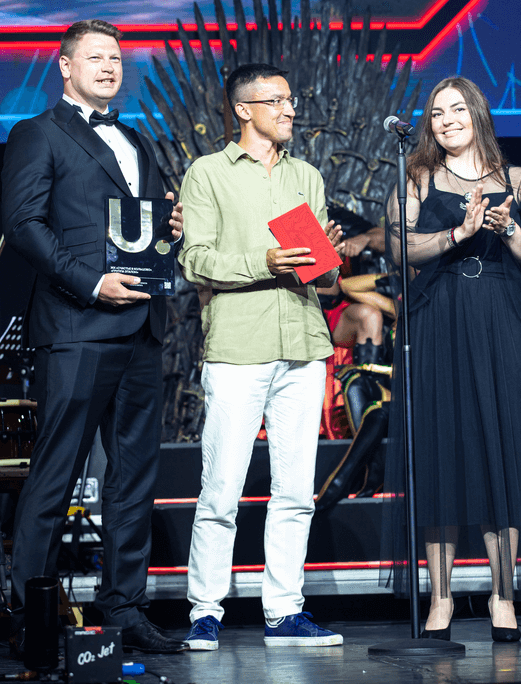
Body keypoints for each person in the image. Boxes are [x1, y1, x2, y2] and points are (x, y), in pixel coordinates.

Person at [1, 19, 186, 654]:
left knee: (133, 478)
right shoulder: (37, 133)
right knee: (56, 474)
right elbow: (24, 225)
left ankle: (125, 609)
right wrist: (92, 282)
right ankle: (31, 616)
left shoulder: (135, 138)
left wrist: (168, 230)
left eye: (116, 58)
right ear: (65, 65)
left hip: (141, 327)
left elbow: (140, 231)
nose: (109, 66)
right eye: (96, 57)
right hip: (78, 325)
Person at [381, 76, 521, 643]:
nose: (447, 120)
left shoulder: (517, 180)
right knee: (440, 455)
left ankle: (503, 596)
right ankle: (441, 598)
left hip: (499, 321)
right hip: (438, 318)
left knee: (501, 454)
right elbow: (399, 245)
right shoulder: (416, 177)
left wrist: (507, 229)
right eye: (437, 112)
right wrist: (460, 232)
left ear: (478, 113)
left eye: (457, 109)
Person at [178, 63, 345, 650]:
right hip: (238, 348)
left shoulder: (306, 176)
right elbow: (195, 260)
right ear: (243, 109)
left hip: (303, 344)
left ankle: (285, 611)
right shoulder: (208, 173)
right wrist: (263, 262)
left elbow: (322, 277)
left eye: (290, 100)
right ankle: (205, 611)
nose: (289, 110)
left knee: (295, 491)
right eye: (275, 101)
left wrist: (330, 262)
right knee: (221, 488)